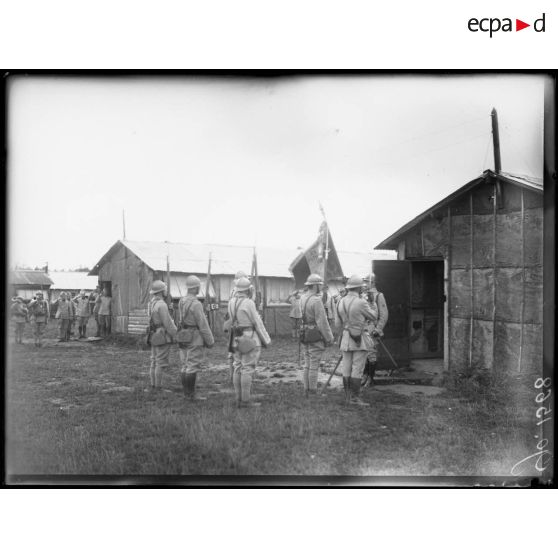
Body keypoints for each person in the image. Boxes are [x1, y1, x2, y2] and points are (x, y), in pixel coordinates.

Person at [227, 276, 271, 408]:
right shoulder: (249, 303)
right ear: (248, 290)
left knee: (237, 366)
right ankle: (246, 401)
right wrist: (266, 339)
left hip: (235, 338)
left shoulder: (231, 302)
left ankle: (238, 398)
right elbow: (257, 322)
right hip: (249, 338)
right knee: (247, 368)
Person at [335, 275, 377, 406]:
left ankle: (348, 397)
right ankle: (355, 398)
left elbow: (337, 324)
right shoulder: (361, 302)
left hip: (346, 337)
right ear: (358, 288)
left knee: (346, 368)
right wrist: (372, 303)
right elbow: (373, 316)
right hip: (359, 338)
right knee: (357, 369)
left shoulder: (340, 301)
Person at [177, 275, 215, 400]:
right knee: (192, 366)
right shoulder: (196, 304)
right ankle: (190, 395)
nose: (199, 288)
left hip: (183, 335)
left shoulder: (181, 301)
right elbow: (203, 324)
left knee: (185, 365)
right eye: (198, 286)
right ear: (195, 288)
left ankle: (186, 393)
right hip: (194, 337)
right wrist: (210, 340)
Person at [299, 274, 334, 398]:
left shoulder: (302, 298)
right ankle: (312, 392)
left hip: (305, 332)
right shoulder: (316, 300)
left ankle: (306, 390)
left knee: (307, 363)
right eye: (319, 285)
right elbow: (322, 322)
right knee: (314, 364)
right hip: (314, 333)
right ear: (315, 285)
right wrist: (329, 338)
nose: (321, 287)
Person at [147, 280, 178, 389]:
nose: (166, 291)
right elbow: (168, 323)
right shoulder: (161, 305)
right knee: (160, 361)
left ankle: (153, 385)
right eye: (165, 289)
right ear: (161, 291)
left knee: (154, 360)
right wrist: (176, 334)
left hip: (154, 334)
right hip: (163, 334)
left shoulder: (151, 303)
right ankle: (158, 387)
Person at [361, 273, 389, 387]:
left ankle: (370, 379)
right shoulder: (362, 295)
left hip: (372, 328)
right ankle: (365, 375)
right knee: (363, 354)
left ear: (372, 282)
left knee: (371, 354)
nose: (365, 284)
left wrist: (378, 329)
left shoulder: (379, 296)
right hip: (362, 328)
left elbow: (384, 314)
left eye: (367, 281)